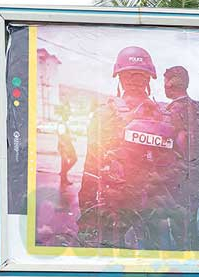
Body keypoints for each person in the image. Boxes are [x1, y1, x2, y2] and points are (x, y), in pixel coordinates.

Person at [77, 46, 184, 250]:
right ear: (149, 78)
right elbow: (179, 165)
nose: (135, 80)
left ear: (119, 76)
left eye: (137, 75)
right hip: (154, 204)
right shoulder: (165, 115)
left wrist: (87, 207)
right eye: (133, 75)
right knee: (160, 265)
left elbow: (91, 167)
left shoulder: (105, 114)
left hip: (116, 203)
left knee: (107, 264)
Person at [164, 65, 199, 250]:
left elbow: (171, 144)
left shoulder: (172, 111)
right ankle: (195, 250)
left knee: (178, 223)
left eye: (165, 81)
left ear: (170, 84)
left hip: (179, 175)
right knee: (190, 217)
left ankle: (185, 258)